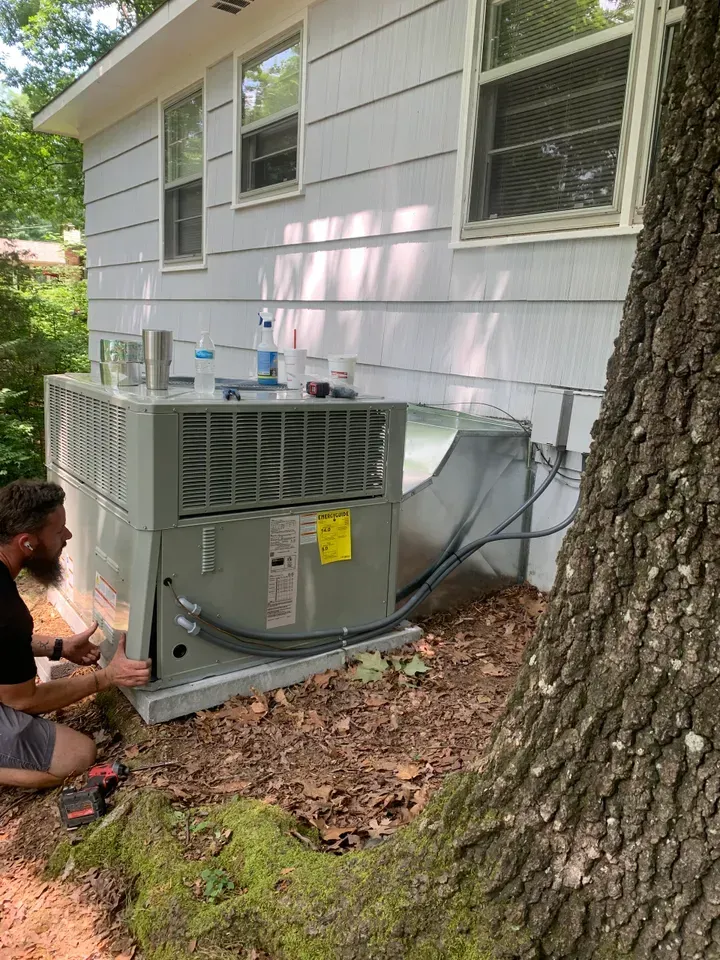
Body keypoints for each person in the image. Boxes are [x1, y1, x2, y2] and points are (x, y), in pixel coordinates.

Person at [0, 479, 151, 789]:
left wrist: (59, 646)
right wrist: (107, 677)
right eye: (58, 532)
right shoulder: (6, 610)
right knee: (77, 755)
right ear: (26, 543)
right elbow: (22, 700)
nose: (67, 536)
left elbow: (4, 644)